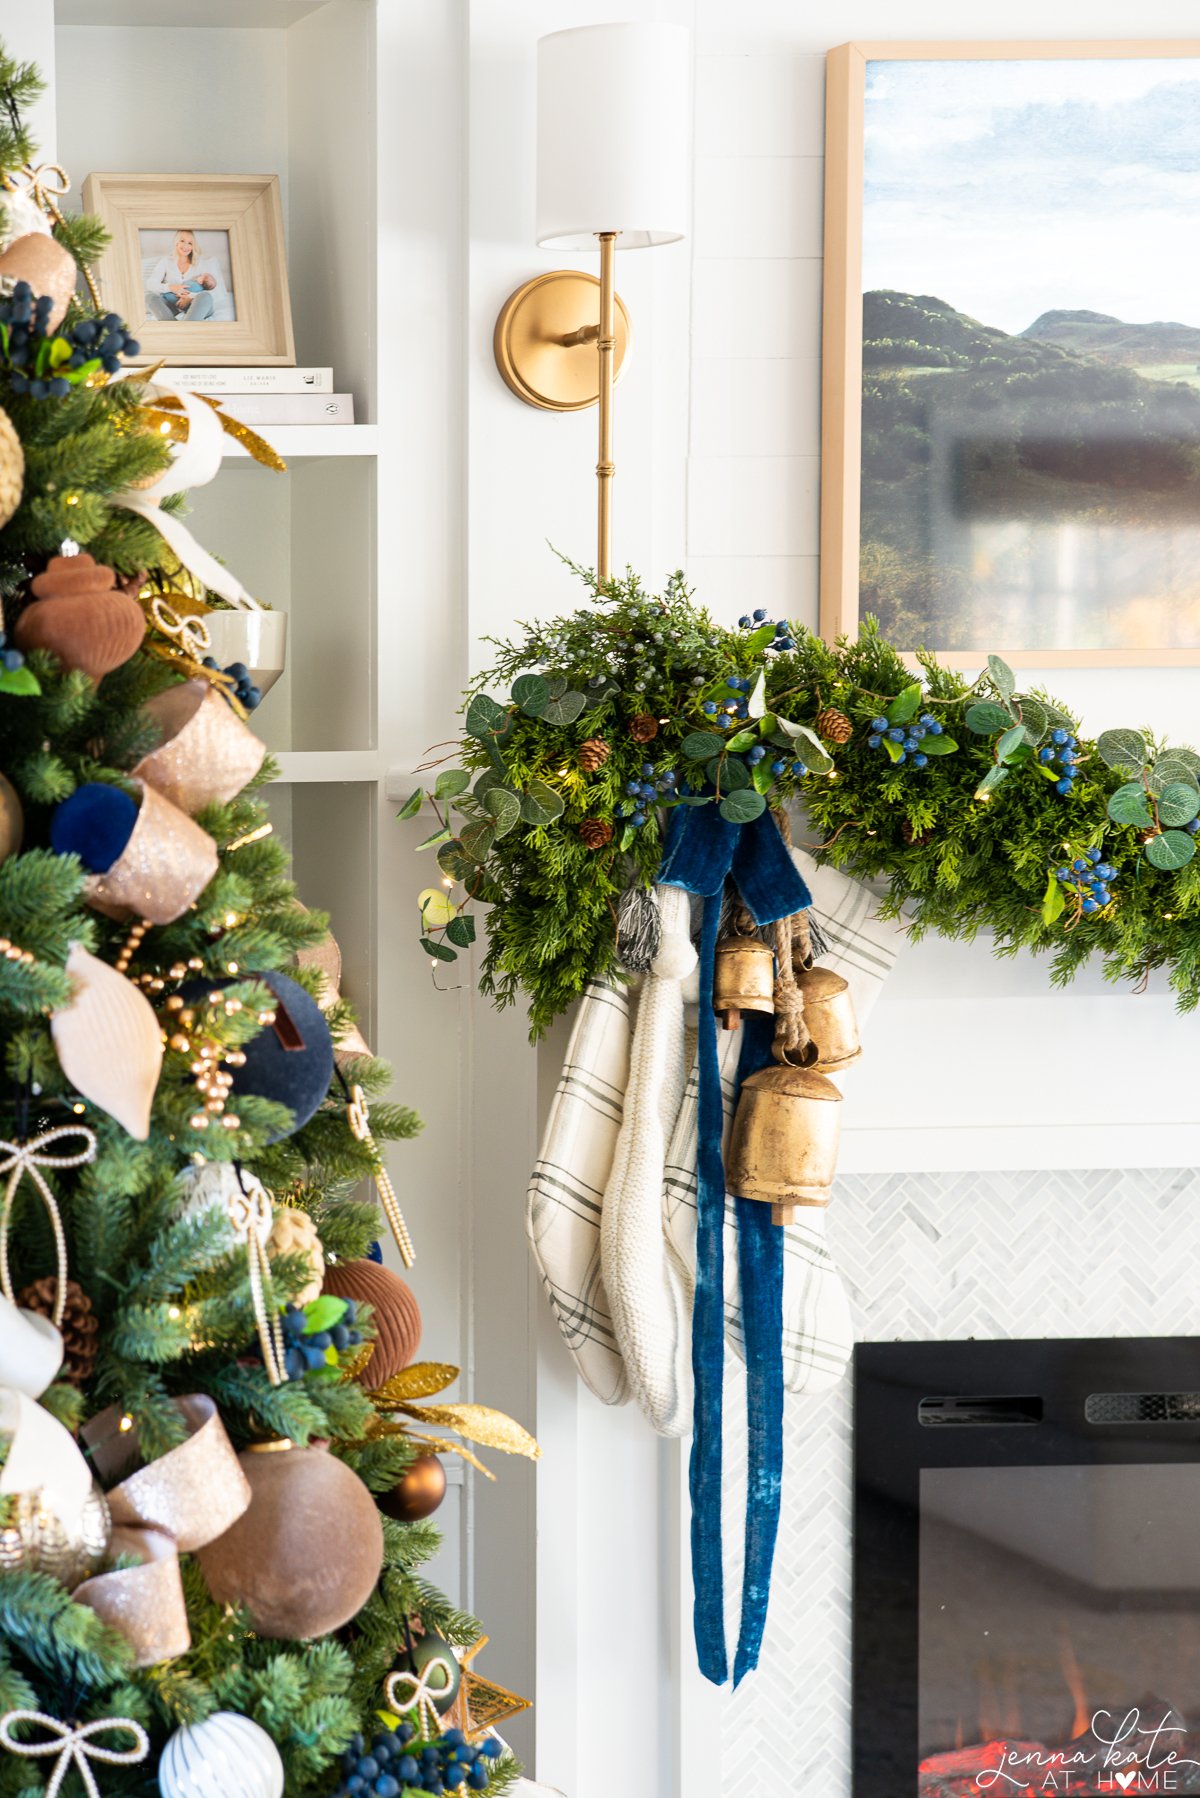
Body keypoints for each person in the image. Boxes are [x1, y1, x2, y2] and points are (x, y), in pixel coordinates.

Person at [144, 229, 228, 322]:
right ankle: (175, 324)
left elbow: (213, 290)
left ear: (193, 246)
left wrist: (190, 297)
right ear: (176, 242)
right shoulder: (166, 261)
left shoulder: (201, 264)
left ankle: (185, 326)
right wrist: (171, 287)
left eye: (190, 243)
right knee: (149, 297)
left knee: (205, 296)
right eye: (182, 241)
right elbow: (150, 284)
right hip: (173, 307)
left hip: (197, 306)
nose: (185, 246)